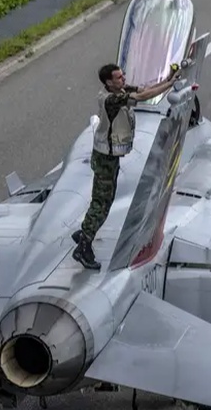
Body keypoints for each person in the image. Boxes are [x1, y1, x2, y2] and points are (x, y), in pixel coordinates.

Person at [71, 64, 180, 270]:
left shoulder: (119, 90)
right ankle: (84, 245)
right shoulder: (112, 100)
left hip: (109, 156)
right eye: (119, 78)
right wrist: (171, 85)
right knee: (102, 204)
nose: (123, 79)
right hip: (105, 159)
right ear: (108, 82)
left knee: (103, 199)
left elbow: (144, 89)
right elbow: (142, 98)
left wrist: (168, 79)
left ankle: (85, 231)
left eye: (123, 76)